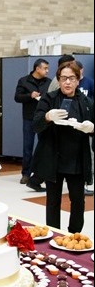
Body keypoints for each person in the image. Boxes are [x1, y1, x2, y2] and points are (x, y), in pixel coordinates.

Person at [31, 61, 94, 234]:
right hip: (54, 158)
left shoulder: (87, 102)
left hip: (77, 160)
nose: (67, 82)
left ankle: (74, 235)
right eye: (64, 78)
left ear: (78, 80)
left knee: (78, 201)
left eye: (71, 78)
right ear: (58, 80)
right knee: (53, 201)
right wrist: (47, 116)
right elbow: (35, 125)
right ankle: (54, 234)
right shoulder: (48, 98)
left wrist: (92, 128)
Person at [14, 58, 51, 191]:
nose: (47, 71)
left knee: (44, 147)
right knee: (27, 147)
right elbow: (17, 97)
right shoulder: (24, 81)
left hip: (43, 118)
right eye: (45, 68)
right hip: (29, 117)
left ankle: (42, 174)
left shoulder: (49, 82)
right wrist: (30, 95)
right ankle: (26, 174)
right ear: (37, 68)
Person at [76, 60, 94, 196]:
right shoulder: (70, 84)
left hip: (87, 120)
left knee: (88, 151)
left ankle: (89, 178)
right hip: (74, 121)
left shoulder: (89, 82)